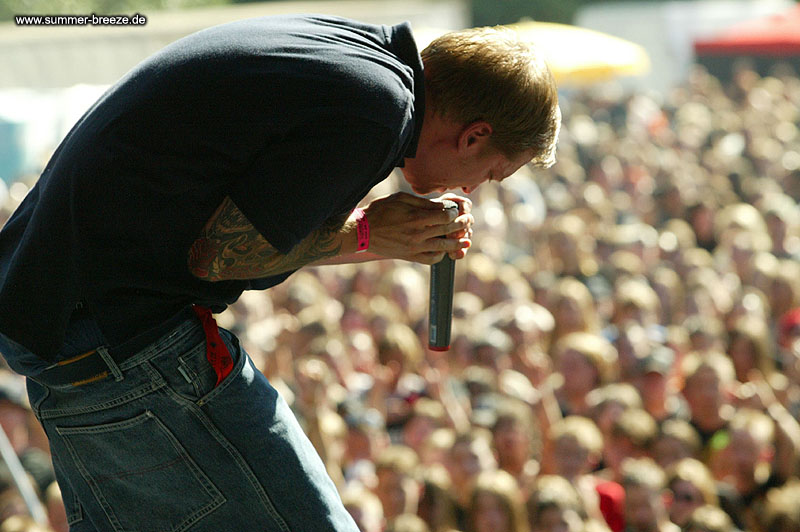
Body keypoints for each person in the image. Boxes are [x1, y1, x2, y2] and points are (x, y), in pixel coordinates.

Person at [0, 13, 560, 532]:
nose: (467, 190)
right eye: (489, 174)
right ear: (474, 135)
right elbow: (220, 255)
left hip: (67, 333)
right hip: (122, 343)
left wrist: (368, 230)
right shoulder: (378, 110)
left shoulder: (358, 58)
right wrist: (369, 234)